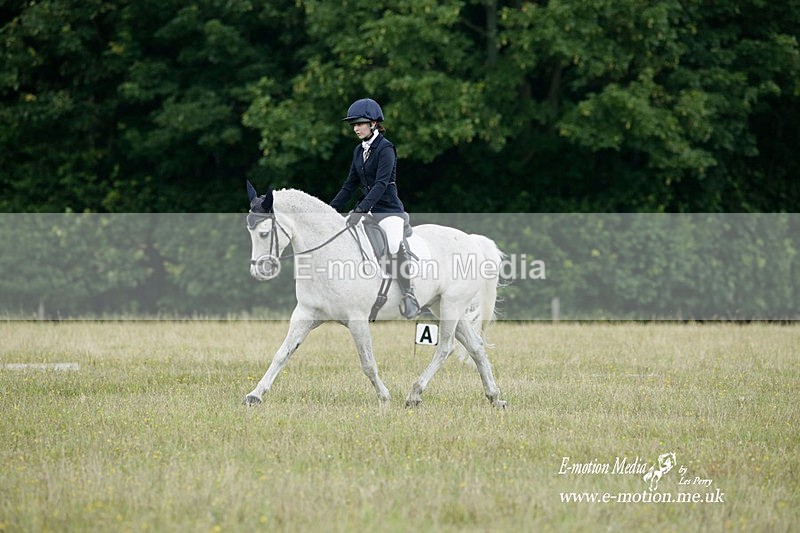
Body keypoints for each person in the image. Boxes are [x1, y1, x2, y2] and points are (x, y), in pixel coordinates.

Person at [330, 98, 421, 319]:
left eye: (359, 124)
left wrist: (360, 210)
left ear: (373, 123)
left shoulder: (386, 148)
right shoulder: (358, 151)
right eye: (353, 124)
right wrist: (329, 210)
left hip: (389, 211)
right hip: (369, 210)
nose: (355, 128)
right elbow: (349, 185)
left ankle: (408, 294)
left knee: (393, 244)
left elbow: (381, 184)